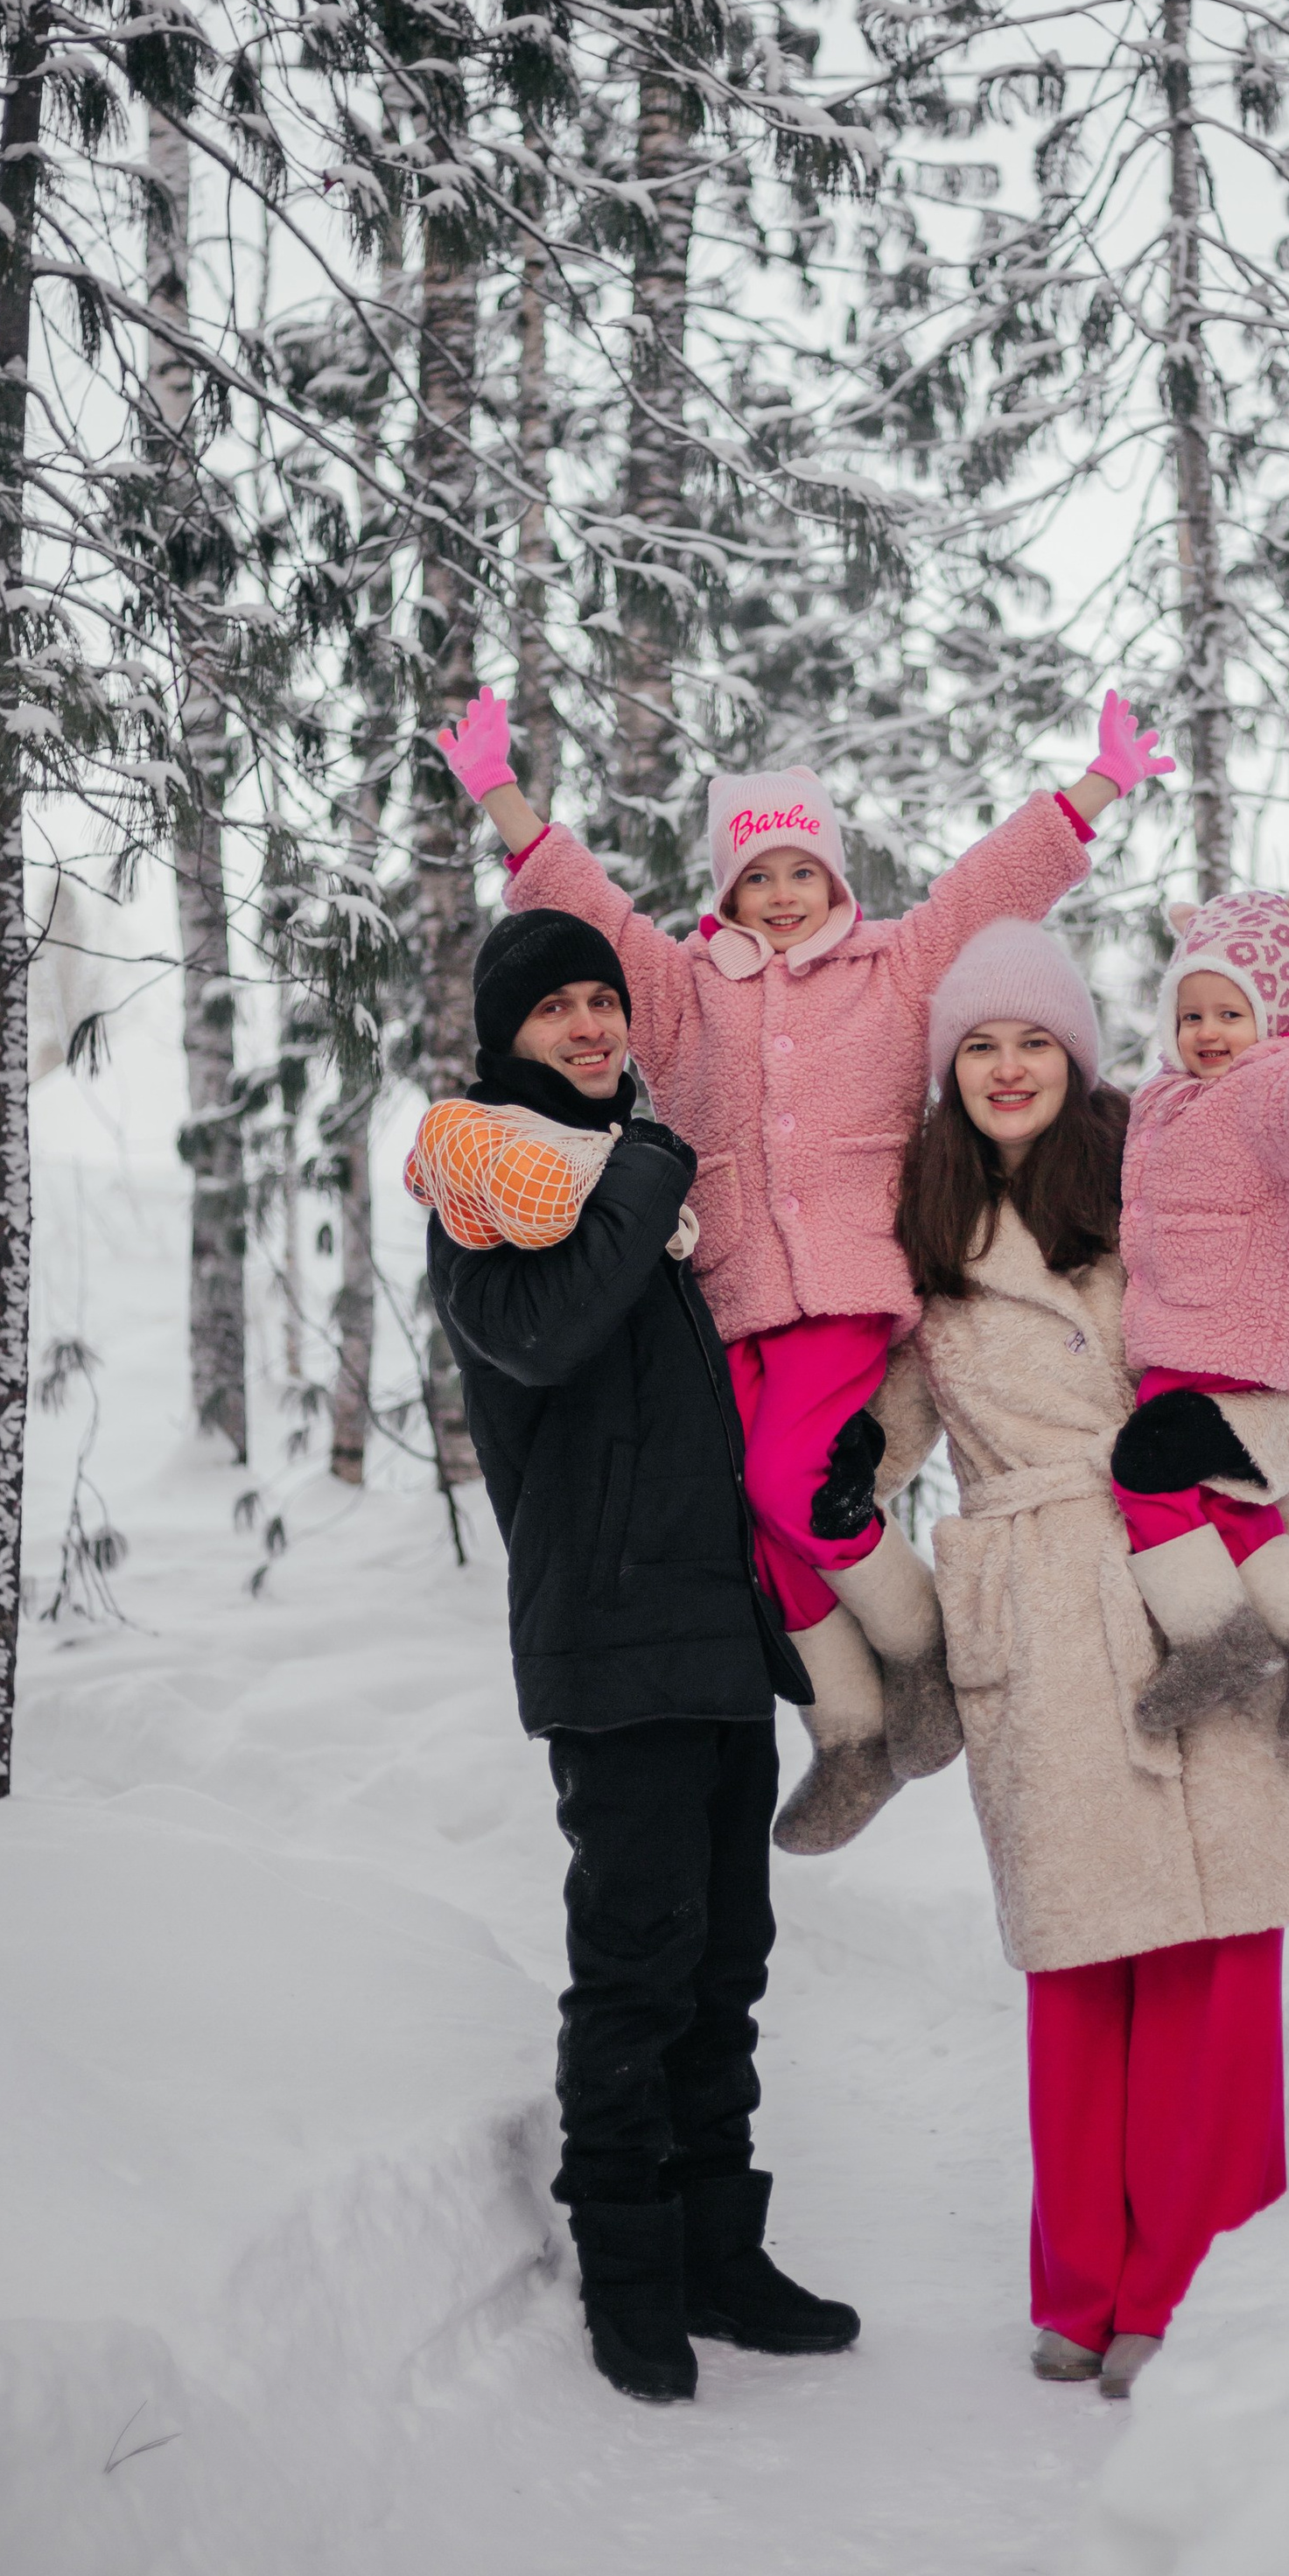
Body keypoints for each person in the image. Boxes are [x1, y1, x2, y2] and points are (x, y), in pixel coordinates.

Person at [429, 682, 1173, 1856]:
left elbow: (991, 890)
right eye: (756, 879)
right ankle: (852, 1727)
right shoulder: (679, 995)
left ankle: (927, 1657)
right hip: (728, 1298)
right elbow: (596, 915)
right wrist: (500, 797)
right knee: (753, 1518)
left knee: (789, 1484)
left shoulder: (896, 969)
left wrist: (1095, 790)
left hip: (846, 1287)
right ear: (727, 891)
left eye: (801, 874)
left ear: (836, 879)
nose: (780, 898)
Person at [872, 919, 1289, 2402]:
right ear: (951, 1073)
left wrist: (1225, 1445)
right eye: (980, 1044)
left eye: (1034, 1040)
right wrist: (839, 1474)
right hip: (1030, 1596)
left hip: (1196, 1568)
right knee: (1083, 1957)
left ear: (1078, 1056)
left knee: (1216, 1946)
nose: (1008, 1065)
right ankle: (1086, 2283)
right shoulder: (927, 1229)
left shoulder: (1171, 1173)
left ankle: (1198, 2287)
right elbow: (885, 1413)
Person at [424, 904, 858, 2406]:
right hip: (609, 1635)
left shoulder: (629, 1192)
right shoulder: (493, 1187)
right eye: (559, 1010)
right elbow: (540, 1344)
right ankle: (628, 2277)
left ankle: (719, 2256)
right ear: (510, 1039)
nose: (595, 1026)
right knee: (636, 1966)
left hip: (709, 1630)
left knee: (726, 1962)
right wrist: (653, 1171)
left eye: (607, 1001)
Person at [1109, 887, 1289, 1738]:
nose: (1207, 1032)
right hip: (1190, 1326)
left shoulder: (1269, 1079)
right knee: (1230, 1502)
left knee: (1144, 1466)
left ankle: (1214, 1641)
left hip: (1243, 1336)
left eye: (1230, 1012)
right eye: (1191, 1012)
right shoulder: (1165, 1096)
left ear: (1270, 1016)